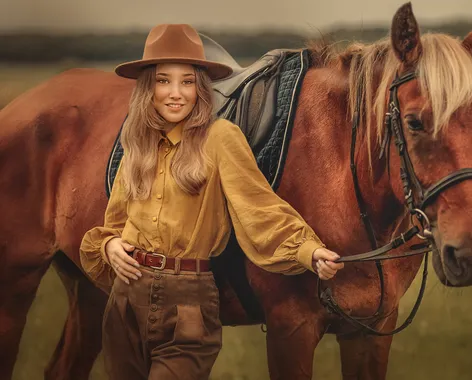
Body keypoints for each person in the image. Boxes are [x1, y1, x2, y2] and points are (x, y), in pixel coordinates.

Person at [79, 24, 343, 380]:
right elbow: (114, 223)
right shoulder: (138, 143)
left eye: (187, 81)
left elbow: (259, 207)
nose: (176, 93)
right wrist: (109, 245)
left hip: (188, 303)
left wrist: (308, 251)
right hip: (126, 300)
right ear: (147, 87)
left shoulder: (220, 138)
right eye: (163, 81)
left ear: (200, 87)